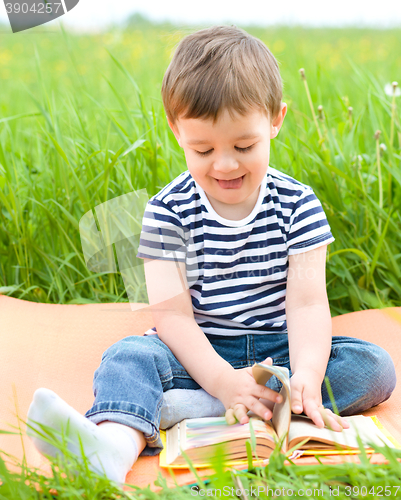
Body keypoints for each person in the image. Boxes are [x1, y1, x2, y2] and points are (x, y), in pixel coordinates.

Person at [26, 25, 396, 485]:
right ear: (175, 128)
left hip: (275, 353)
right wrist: (221, 380)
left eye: (244, 146)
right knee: (127, 357)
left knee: (373, 367)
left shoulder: (298, 205)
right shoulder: (167, 212)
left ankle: (194, 407)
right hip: (197, 350)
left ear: (275, 120)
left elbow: (306, 304)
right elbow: (173, 317)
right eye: (202, 149)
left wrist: (306, 372)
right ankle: (113, 449)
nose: (224, 164)